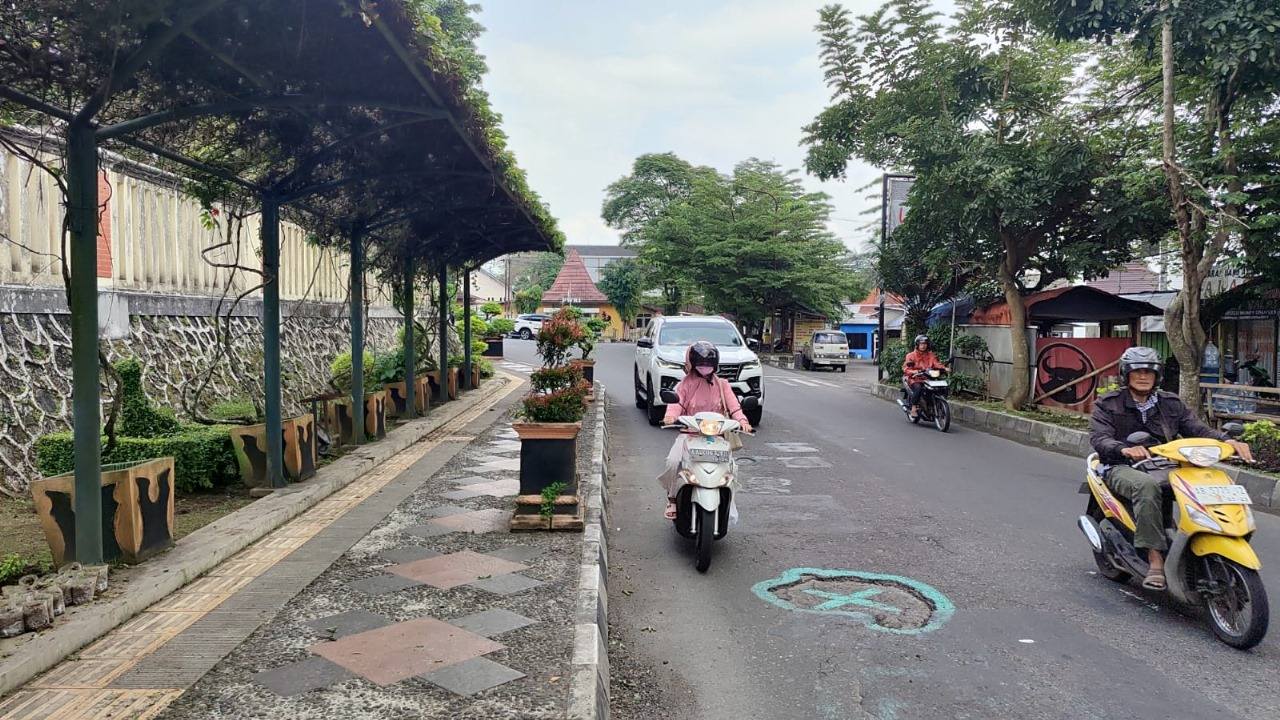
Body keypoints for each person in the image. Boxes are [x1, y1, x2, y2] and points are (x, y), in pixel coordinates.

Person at [1089, 346, 1254, 591]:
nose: (1143, 376)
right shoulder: (1108, 404)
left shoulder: (1171, 403)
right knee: (1147, 487)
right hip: (1121, 465)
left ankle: (1210, 536)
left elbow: (1197, 429)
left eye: (1149, 372)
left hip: (1167, 464)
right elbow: (1099, 438)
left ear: (1158, 376)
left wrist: (1226, 441)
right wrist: (1123, 449)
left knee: (1211, 482)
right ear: (1126, 375)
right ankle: (1155, 559)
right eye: (1137, 372)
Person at [656, 341, 752, 519]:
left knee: (731, 469)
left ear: (715, 366)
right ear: (691, 364)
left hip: (716, 436)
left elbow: (734, 407)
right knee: (672, 461)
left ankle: (727, 500)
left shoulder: (722, 385)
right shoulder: (684, 384)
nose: (704, 367)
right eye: (701, 364)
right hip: (690, 434)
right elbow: (675, 403)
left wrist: (742, 421)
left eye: (708, 364)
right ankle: (672, 498)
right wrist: (670, 416)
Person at [902, 334, 948, 420]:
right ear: (917, 344)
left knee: (942, 387)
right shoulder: (910, 355)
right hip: (914, 378)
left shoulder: (931, 355)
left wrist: (944, 368)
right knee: (918, 388)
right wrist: (914, 371)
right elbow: (906, 368)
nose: (923, 346)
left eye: (925, 344)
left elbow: (936, 363)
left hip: (928, 378)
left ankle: (937, 405)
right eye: (921, 344)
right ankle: (913, 408)